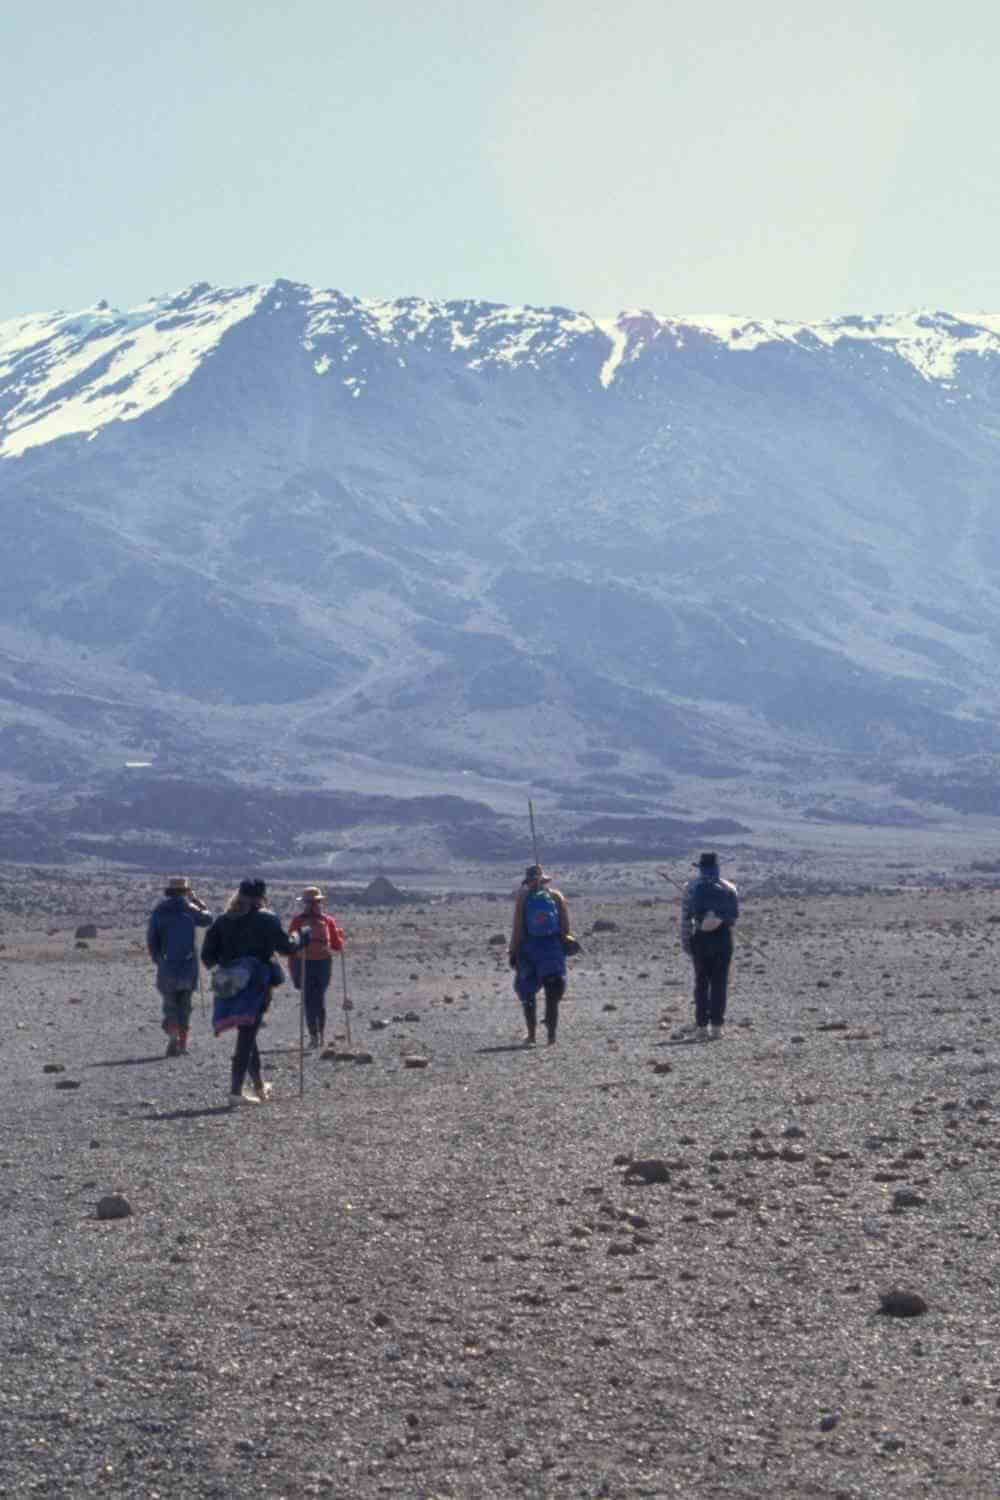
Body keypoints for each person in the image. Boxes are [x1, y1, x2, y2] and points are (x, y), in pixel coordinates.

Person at [201, 877, 308, 1105]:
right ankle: (235, 1092)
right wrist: (301, 937)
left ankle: (259, 1086)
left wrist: (229, 967)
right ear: (262, 897)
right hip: (257, 985)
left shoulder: (223, 921)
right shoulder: (266, 919)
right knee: (248, 1033)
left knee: (247, 1032)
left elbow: (207, 956)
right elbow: (287, 947)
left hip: (230, 986)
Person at [145, 876, 213, 1057]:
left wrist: (158, 959)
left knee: (170, 1004)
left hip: (167, 965)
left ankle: (173, 1038)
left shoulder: (160, 910)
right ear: (185, 891)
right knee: (185, 1005)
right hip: (188, 966)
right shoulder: (190, 909)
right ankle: (182, 1044)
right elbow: (208, 919)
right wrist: (196, 900)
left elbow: (152, 939)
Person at [680, 852, 739, 1041]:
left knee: (701, 983)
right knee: (720, 983)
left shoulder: (690, 888)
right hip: (723, 938)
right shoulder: (730, 888)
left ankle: (701, 1027)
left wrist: (687, 942)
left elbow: (685, 920)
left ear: (700, 868)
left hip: (701, 939)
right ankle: (717, 1027)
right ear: (718, 867)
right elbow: (734, 917)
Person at [509, 865, 570, 1046]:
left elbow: (518, 926)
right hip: (552, 950)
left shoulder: (523, 897)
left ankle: (531, 1035)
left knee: (527, 992)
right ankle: (551, 1037)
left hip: (529, 950)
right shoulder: (556, 896)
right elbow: (565, 926)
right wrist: (565, 943)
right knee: (552, 994)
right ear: (545, 880)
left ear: (528, 881)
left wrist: (513, 950)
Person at [288, 886, 345, 1049]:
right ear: (319, 902)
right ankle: (320, 1036)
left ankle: (313, 1036)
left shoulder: (297, 921)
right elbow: (336, 946)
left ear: (305, 903)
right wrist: (340, 937)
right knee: (319, 999)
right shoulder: (328, 920)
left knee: (308, 1000)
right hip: (323, 963)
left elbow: (291, 946)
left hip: (303, 963)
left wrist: (293, 972)